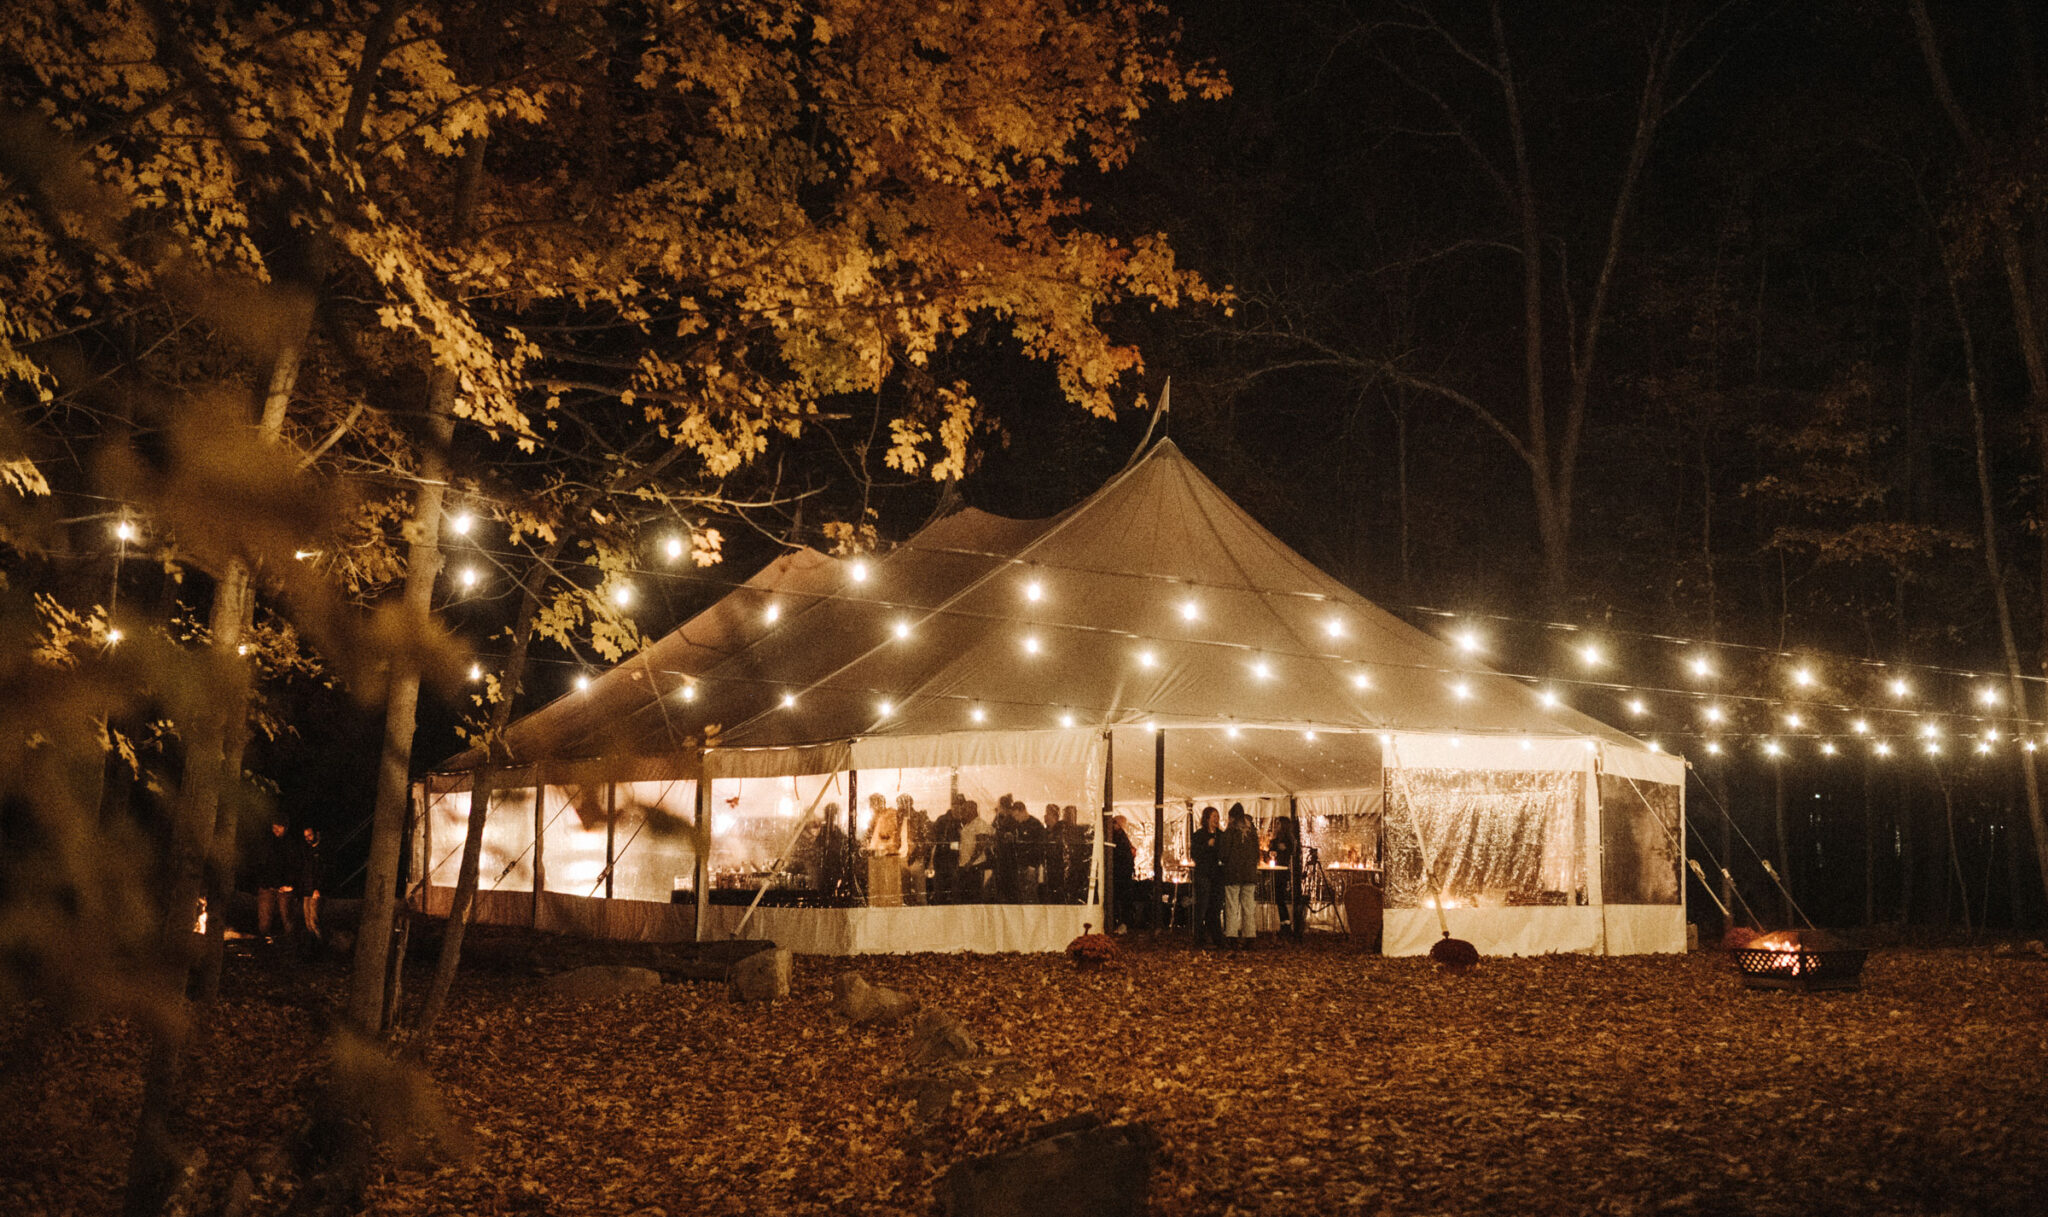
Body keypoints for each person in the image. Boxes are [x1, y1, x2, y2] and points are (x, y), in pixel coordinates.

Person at [1221, 803, 1261, 948]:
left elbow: (1224, 854)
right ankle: (1250, 936)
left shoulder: (1230, 831)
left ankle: (1231, 936)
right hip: (1249, 874)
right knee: (1248, 906)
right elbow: (1257, 853)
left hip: (1233, 874)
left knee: (1232, 905)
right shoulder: (1252, 832)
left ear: (1231, 817)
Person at [254, 820, 296, 943]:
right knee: (264, 919)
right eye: (274, 827)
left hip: (284, 888)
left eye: (279, 826)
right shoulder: (267, 843)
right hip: (267, 886)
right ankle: (263, 942)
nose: (276, 829)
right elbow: (259, 863)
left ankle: (290, 944)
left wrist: (291, 885)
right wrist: (262, 883)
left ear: (285, 827)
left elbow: (296, 866)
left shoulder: (291, 844)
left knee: (287, 918)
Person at [1190, 805, 1225, 948]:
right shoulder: (1199, 835)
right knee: (1202, 906)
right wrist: (1207, 845)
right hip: (1204, 874)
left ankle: (1217, 937)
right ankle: (1199, 937)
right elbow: (1195, 854)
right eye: (1214, 816)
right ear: (1207, 818)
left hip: (1217, 875)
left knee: (1215, 907)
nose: (1216, 819)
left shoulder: (1221, 835)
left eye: (1218, 816)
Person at [1268, 814, 1301, 938]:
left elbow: (1290, 853)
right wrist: (1271, 853)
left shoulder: (1288, 840)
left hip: (1282, 871)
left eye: (1278, 824)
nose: (1275, 826)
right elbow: (1270, 850)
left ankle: (1285, 924)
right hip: (1275, 870)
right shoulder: (1275, 840)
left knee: (1280, 898)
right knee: (1278, 898)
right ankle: (1284, 923)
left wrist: (1282, 851)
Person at [956, 799, 991, 902]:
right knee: (965, 897)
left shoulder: (979, 823)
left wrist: (970, 862)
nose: (963, 812)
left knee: (974, 896)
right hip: (964, 865)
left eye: (965, 809)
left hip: (974, 865)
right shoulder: (967, 824)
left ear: (972, 810)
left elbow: (980, 845)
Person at [900, 794, 931, 906]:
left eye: (904, 803)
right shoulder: (899, 819)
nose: (902, 806)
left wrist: (917, 853)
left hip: (916, 859)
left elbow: (926, 839)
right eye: (900, 803)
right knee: (905, 894)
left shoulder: (919, 817)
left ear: (910, 803)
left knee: (920, 893)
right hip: (902, 858)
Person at [296, 826, 326, 944]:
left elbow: (322, 872)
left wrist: (318, 888)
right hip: (306, 890)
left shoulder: (321, 851)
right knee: (308, 922)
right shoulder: (307, 851)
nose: (308, 838)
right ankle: (312, 946)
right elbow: (305, 871)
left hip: (315, 891)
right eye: (305, 837)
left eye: (310, 835)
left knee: (314, 921)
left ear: (316, 834)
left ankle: (321, 944)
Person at [1108, 813, 1137, 932]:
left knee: (1121, 899)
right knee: (1123, 900)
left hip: (1120, 874)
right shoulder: (1122, 838)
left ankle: (1122, 923)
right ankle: (1122, 923)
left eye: (1114, 823)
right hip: (1123, 873)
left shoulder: (1119, 839)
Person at [931, 797, 963, 904]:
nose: (957, 808)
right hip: (942, 859)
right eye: (955, 805)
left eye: (959, 805)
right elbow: (935, 837)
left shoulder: (962, 821)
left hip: (955, 859)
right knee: (940, 890)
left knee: (954, 891)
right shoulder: (942, 820)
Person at [1015, 801, 1047, 903]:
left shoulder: (1036, 825)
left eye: (1016, 815)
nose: (1016, 818)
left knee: (1031, 894)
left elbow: (1039, 848)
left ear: (1023, 811)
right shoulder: (1020, 825)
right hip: (1022, 866)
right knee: (1023, 894)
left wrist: (1032, 866)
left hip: (1031, 867)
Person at [1040, 804, 1066, 902]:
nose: (1045, 816)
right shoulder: (1045, 832)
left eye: (1048, 814)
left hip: (1057, 870)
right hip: (1048, 869)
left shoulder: (1061, 831)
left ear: (1055, 816)